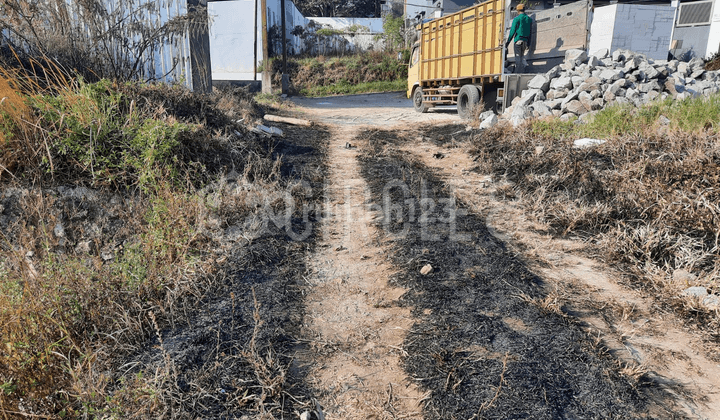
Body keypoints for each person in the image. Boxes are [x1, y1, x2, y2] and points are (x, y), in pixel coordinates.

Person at [505, 3, 532, 73]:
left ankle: (517, 73)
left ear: (517, 11)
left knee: (518, 58)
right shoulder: (529, 19)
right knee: (522, 56)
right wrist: (528, 44)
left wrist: (507, 42)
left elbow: (512, 31)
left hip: (518, 41)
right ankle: (524, 70)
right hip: (525, 41)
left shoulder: (516, 19)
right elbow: (530, 32)